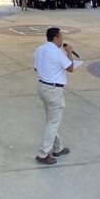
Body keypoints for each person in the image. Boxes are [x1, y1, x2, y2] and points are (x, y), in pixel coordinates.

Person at [33, 27, 74, 165]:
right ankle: (43, 153)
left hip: (42, 87)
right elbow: (70, 68)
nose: (62, 39)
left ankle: (58, 148)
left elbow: (36, 67)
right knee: (53, 122)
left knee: (51, 120)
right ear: (55, 38)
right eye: (61, 37)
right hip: (54, 90)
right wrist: (69, 52)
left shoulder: (39, 49)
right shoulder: (57, 52)